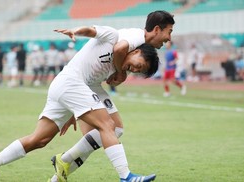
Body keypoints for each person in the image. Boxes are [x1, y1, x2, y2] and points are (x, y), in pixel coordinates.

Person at [0, 25, 159, 182]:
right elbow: (91, 30)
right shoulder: (114, 37)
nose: (134, 70)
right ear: (136, 51)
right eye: (139, 65)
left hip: (68, 87)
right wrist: (75, 31)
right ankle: (125, 176)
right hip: (70, 84)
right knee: (108, 126)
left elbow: (90, 78)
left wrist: (74, 111)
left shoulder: (114, 67)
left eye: (138, 71)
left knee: (40, 139)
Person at [49, 10, 175, 182]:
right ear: (157, 29)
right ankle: (126, 177)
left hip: (88, 85)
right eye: (170, 31)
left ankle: (60, 168)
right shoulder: (137, 37)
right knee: (106, 129)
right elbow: (118, 47)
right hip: (78, 84)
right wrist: (120, 72)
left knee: (110, 131)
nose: (169, 38)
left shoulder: (139, 43)